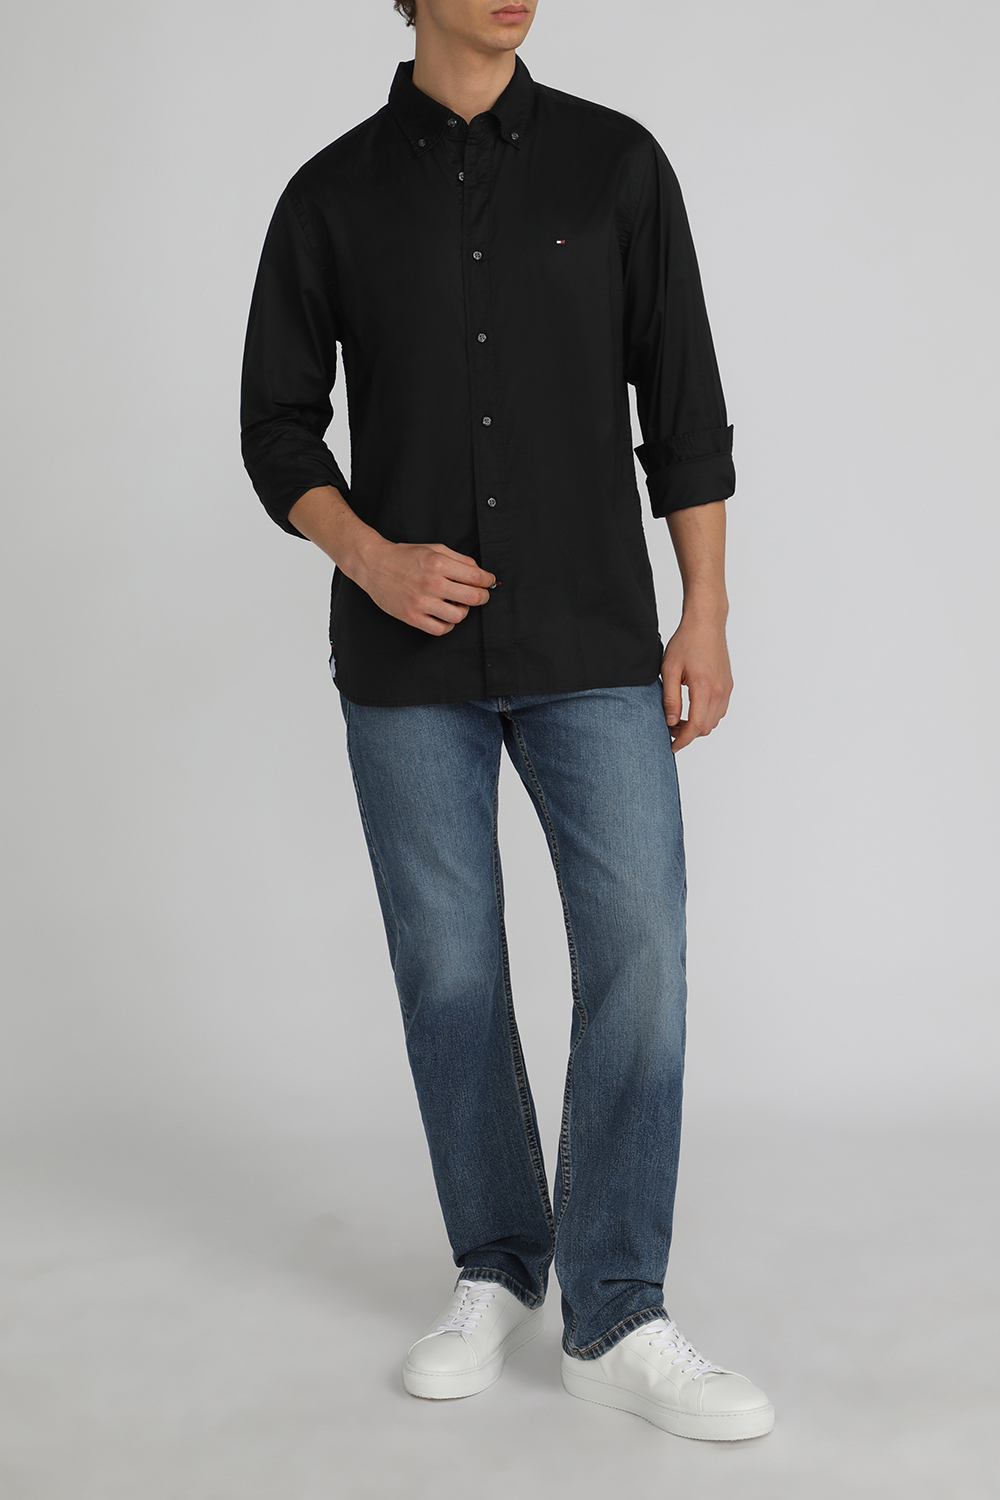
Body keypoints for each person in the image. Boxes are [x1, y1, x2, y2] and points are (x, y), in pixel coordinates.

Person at [240, 0, 774, 1443]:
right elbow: (276, 422)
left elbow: (685, 403)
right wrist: (369, 556)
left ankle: (617, 1312)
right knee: (451, 973)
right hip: (405, 665)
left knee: (641, 951)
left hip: (593, 637)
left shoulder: (618, 166)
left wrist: (705, 609)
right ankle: (497, 1263)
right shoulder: (332, 193)